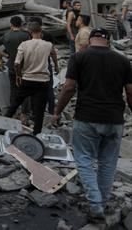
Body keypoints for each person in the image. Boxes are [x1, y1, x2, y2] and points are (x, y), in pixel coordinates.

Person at [52, 28, 132, 220]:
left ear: (90, 39)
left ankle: (95, 204)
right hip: (114, 120)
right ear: (109, 41)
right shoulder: (122, 60)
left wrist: (57, 112)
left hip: (86, 118)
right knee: (108, 163)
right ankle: (102, 202)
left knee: (85, 159)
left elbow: (69, 87)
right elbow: (130, 93)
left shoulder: (79, 57)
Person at [6, 22, 58, 134]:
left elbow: (16, 63)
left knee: (15, 103)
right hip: (42, 81)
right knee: (39, 111)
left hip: (27, 79)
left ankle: (3, 122)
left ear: (29, 33)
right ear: (41, 32)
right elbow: (54, 55)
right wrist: (57, 66)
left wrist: (19, 75)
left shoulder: (24, 45)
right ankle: (37, 134)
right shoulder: (48, 45)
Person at [0, 16, 30, 113]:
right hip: (24, 66)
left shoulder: (6, 35)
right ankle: (25, 112)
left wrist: (6, 54)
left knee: (14, 90)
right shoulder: (26, 35)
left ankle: (13, 111)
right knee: (25, 89)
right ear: (20, 24)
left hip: (12, 65)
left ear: (11, 24)